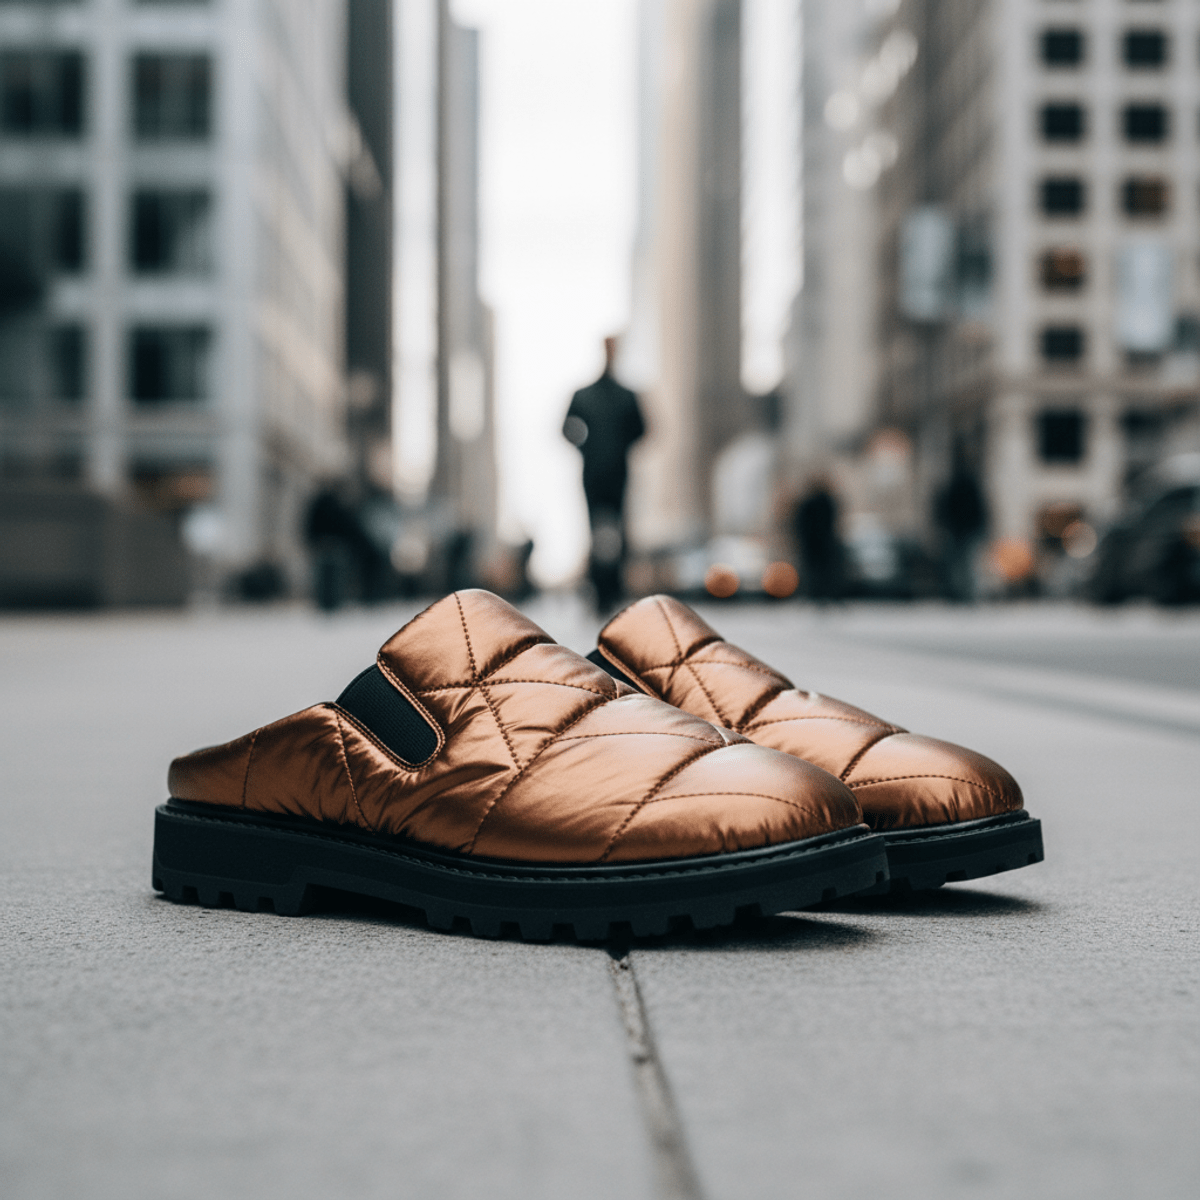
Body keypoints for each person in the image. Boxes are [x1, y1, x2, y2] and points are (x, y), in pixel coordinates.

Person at [563, 337, 645, 612]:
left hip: (616, 472)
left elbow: (642, 430)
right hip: (596, 473)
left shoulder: (626, 395)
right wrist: (588, 448)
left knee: (617, 532)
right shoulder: (585, 395)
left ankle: (613, 589)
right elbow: (566, 428)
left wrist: (618, 446)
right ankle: (600, 589)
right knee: (598, 531)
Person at [934, 463, 987, 602]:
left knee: (963, 564)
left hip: (962, 530)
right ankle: (962, 593)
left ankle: (962, 593)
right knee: (963, 564)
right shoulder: (967, 488)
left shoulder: (956, 487)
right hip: (961, 530)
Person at [793, 478, 842, 602]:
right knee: (825, 572)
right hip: (821, 544)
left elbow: (800, 523)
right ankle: (824, 594)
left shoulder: (809, 504)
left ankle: (815, 594)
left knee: (816, 572)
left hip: (813, 544)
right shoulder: (826, 503)